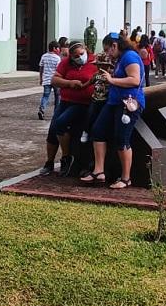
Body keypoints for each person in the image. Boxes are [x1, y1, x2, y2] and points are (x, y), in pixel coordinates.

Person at [81, 33, 145, 189]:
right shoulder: (121, 58)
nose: (107, 53)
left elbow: (135, 80)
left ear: (114, 46)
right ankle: (99, 171)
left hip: (127, 102)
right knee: (98, 131)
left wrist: (111, 79)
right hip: (114, 101)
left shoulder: (130, 57)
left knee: (122, 139)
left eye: (107, 49)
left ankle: (126, 178)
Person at [41, 42, 97, 176]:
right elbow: (54, 80)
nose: (79, 57)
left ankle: (66, 157)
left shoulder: (95, 62)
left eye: (81, 54)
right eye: (76, 56)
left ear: (85, 50)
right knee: (53, 129)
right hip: (66, 100)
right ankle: (50, 162)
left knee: (61, 123)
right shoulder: (66, 63)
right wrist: (69, 83)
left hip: (83, 103)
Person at [38, 41, 62, 120]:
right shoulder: (57, 58)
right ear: (54, 48)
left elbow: (41, 68)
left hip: (46, 80)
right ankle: (56, 113)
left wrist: (41, 78)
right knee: (57, 96)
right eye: (58, 48)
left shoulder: (44, 56)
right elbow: (59, 70)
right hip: (55, 80)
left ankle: (41, 110)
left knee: (45, 96)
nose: (59, 50)